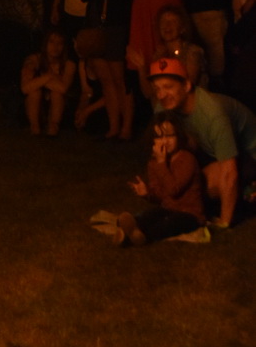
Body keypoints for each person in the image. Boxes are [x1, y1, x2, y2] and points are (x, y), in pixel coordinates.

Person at [148, 56, 256, 229]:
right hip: (210, 153)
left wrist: (224, 221)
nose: (161, 95)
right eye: (157, 88)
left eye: (168, 87)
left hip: (248, 155)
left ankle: (246, 195)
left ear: (186, 86)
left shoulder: (212, 114)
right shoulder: (163, 109)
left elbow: (229, 170)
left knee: (201, 182)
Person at [98, 118, 208, 247]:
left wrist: (162, 163)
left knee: (167, 224)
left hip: (190, 214)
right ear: (153, 140)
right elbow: (161, 196)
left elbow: (174, 189)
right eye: (159, 137)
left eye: (170, 136)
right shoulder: (153, 163)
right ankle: (130, 226)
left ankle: (134, 238)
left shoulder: (187, 159)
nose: (165, 141)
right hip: (167, 209)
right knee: (148, 215)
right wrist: (147, 193)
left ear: (178, 136)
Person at [80, 0, 134, 139]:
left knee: (120, 80)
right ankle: (113, 127)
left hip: (115, 25)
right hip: (96, 25)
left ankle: (126, 127)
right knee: (106, 81)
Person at [20, 29, 76, 135]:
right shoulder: (34, 60)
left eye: (59, 43)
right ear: (45, 44)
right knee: (34, 92)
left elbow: (63, 88)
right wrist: (50, 76)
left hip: (60, 105)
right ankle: (34, 126)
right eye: (51, 42)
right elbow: (25, 88)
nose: (55, 47)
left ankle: (54, 126)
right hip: (37, 105)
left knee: (57, 93)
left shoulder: (69, 64)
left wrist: (39, 81)